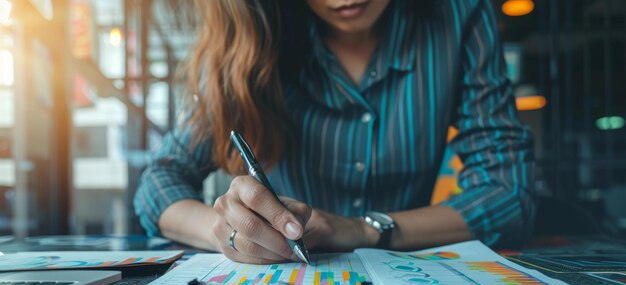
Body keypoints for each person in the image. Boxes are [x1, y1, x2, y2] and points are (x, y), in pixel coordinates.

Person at [134, 0, 535, 264]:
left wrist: (363, 229)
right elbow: (159, 183)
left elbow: (506, 192)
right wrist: (226, 232)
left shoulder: (458, 14)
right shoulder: (252, 40)